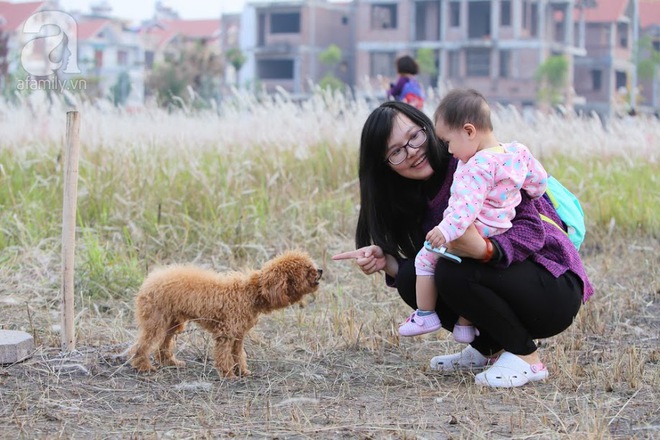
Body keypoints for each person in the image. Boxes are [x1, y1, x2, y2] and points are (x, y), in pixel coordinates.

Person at [333, 95, 593, 388]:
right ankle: (490, 350)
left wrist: (486, 250)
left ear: (428, 128)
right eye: (396, 152)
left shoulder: (477, 164)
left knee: (451, 271)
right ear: (385, 166)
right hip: (506, 282)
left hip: (553, 285)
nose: (412, 152)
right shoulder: (412, 200)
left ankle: (526, 358)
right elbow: (430, 262)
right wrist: (387, 263)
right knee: (412, 276)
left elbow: (533, 231)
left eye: (415, 137)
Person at [399, 89, 549, 345]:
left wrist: (444, 231)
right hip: (501, 228)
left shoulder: (476, 166)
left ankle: (425, 314)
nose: (448, 150)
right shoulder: (517, 152)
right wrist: (532, 193)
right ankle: (465, 326)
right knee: (465, 272)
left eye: (448, 142)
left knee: (425, 259)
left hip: (476, 228)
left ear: (469, 131)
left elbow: (464, 209)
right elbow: (540, 182)